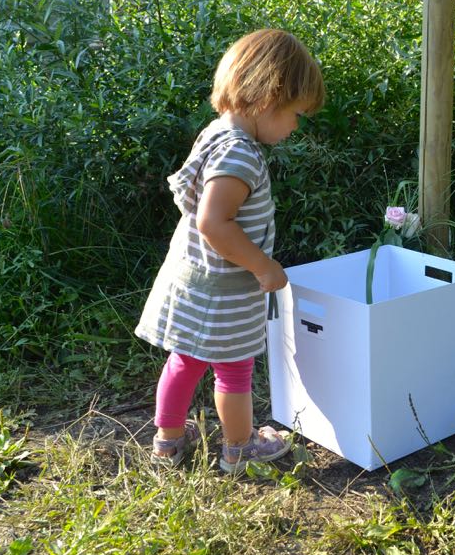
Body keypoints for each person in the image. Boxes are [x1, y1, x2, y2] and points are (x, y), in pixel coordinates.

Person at [135, 29, 324, 472]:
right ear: (269, 97)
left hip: (193, 279)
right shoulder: (240, 154)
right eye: (296, 114)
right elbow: (214, 221)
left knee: (183, 361)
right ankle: (239, 448)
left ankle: (168, 442)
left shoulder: (217, 134)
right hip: (225, 288)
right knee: (234, 369)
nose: (296, 126)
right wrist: (264, 266)